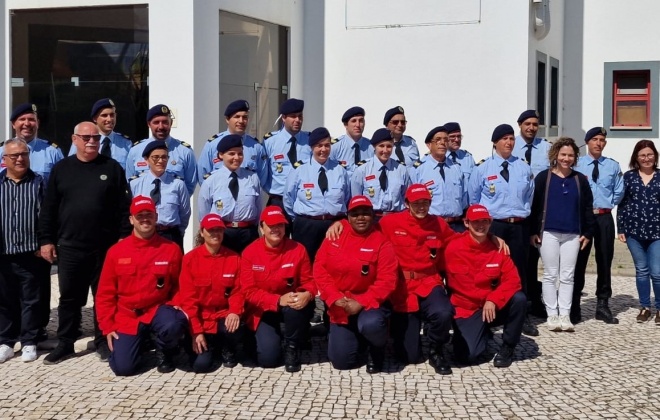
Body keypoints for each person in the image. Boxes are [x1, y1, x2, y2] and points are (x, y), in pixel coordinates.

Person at [38, 121, 132, 365]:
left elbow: (124, 208)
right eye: (86, 137)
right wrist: (47, 240)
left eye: (95, 138)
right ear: (75, 139)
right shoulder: (62, 169)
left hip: (105, 247)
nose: (92, 141)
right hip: (70, 246)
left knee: (104, 295)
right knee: (69, 297)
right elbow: (49, 208)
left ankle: (103, 340)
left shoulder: (111, 168)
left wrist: (123, 237)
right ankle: (66, 342)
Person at [96, 196, 187, 376]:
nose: (145, 219)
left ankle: (164, 349)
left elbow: (180, 285)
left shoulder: (171, 249)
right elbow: (104, 294)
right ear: (131, 219)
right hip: (127, 316)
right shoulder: (116, 252)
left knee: (174, 323)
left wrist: (178, 305)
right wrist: (107, 327)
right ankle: (141, 343)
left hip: (157, 311)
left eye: (149, 214)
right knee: (123, 368)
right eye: (140, 215)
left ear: (156, 216)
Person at [468, 124, 538, 336]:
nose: (509, 142)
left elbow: (530, 198)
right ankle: (488, 314)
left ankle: (521, 315)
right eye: (504, 139)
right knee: (489, 270)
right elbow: (473, 200)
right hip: (492, 225)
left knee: (519, 270)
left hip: (518, 225)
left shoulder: (524, 168)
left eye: (511, 139)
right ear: (495, 143)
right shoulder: (482, 169)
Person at [315, 196, 397, 373]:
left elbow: (387, 281)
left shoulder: (381, 242)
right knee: (341, 362)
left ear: (373, 216)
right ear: (348, 217)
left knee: (372, 324)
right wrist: (334, 297)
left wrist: (361, 302)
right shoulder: (334, 236)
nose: (361, 218)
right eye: (355, 214)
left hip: (369, 305)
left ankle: (376, 350)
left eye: (365, 214)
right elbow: (320, 269)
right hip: (341, 304)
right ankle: (356, 339)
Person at [445, 204, 526, 367]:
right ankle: (479, 334)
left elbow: (513, 280)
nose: (481, 226)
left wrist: (494, 299)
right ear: (466, 223)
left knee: (519, 299)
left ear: (490, 223)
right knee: (467, 357)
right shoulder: (452, 247)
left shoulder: (499, 249)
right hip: (466, 310)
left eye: (485, 221)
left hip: (492, 306)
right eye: (475, 222)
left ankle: (508, 347)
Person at [530, 138, 596, 332]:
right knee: (550, 274)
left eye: (570, 155)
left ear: (575, 157)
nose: (566, 158)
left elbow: (587, 208)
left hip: (572, 234)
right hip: (548, 232)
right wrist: (533, 231)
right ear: (556, 155)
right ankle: (552, 314)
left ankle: (565, 314)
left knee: (568, 275)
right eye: (563, 155)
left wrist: (588, 232)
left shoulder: (580, 180)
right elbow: (535, 207)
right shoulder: (544, 177)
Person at [241, 206, 317, 373]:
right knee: (268, 359)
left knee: (295, 307)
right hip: (262, 309)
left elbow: (309, 281)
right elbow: (247, 291)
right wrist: (276, 300)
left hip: (290, 306)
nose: (276, 229)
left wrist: (308, 293)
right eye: (271, 225)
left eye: (280, 225)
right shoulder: (250, 253)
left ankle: (292, 346)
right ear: (261, 228)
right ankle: (255, 336)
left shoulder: (298, 249)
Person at [0, 139, 49, 363]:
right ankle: (7, 341)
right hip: (3, 251)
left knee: (32, 299)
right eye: (14, 156)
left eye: (24, 154)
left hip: (31, 252)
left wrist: (45, 243)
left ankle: (30, 341)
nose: (20, 159)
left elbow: (47, 217)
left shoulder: (39, 182)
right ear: (4, 160)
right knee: (5, 298)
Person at [175, 214, 243, 373]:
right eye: (211, 230)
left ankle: (227, 346)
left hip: (223, 316)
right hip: (201, 319)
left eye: (219, 230)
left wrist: (235, 311)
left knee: (236, 325)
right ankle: (205, 343)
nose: (215, 234)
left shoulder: (234, 258)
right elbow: (188, 299)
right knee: (201, 366)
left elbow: (238, 291)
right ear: (202, 232)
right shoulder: (190, 259)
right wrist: (196, 332)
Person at [573, 127, 624, 324]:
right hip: (583, 217)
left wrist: (608, 202)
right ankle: (575, 305)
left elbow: (619, 191)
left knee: (605, 260)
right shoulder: (577, 165)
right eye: (594, 139)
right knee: (579, 261)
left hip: (603, 217)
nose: (598, 143)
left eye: (602, 139)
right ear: (587, 142)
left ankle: (602, 304)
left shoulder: (612, 166)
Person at [284, 127, 350, 262]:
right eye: (319, 146)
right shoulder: (299, 170)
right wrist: (299, 218)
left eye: (327, 145)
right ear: (311, 147)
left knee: (334, 262)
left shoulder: (339, 170)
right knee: (306, 264)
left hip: (334, 224)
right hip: (307, 226)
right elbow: (288, 198)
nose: (323, 150)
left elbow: (347, 197)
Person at [617, 140, 660, 325]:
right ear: (636, 157)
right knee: (641, 271)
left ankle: (659, 308)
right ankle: (645, 307)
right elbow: (622, 204)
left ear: (655, 156)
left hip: (657, 232)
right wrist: (621, 228)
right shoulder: (629, 177)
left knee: (657, 272)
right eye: (642, 155)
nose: (646, 158)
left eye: (650, 154)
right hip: (634, 232)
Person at [513, 110, 551, 319]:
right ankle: (520, 303)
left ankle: (534, 300)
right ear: (520, 125)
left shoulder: (546, 148)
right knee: (517, 259)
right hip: (517, 208)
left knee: (534, 258)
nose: (531, 128)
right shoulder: (510, 145)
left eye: (535, 124)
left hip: (538, 210)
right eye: (527, 124)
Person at [198, 134, 262, 254]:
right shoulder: (211, 180)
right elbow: (204, 213)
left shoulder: (252, 177)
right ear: (221, 155)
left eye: (240, 153)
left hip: (248, 232)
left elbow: (258, 208)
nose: (236, 157)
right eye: (231, 154)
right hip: (222, 233)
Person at [129, 140, 191, 251]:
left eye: (164, 157)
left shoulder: (178, 184)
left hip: (170, 234)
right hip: (145, 235)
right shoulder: (135, 184)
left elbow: (185, 213)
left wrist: (178, 232)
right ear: (146, 160)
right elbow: (130, 210)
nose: (160, 161)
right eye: (155, 157)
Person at [125, 104, 197, 195]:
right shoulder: (135, 151)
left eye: (165, 122)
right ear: (148, 124)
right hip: (143, 207)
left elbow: (190, 185)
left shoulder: (185, 151)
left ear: (171, 123)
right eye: (156, 122)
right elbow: (130, 182)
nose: (161, 127)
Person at [197, 100, 269, 187]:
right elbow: (203, 175)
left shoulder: (256, 147)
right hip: (220, 197)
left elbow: (262, 177)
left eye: (245, 117)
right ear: (227, 119)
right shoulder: (213, 144)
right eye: (237, 117)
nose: (241, 121)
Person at [409, 126, 468, 232]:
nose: (442, 143)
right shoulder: (418, 170)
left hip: (456, 225)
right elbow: (411, 200)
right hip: (432, 224)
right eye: (438, 140)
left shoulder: (456, 167)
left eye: (445, 140)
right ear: (429, 145)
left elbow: (464, 198)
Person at [263, 98, 311, 211]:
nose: (297, 120)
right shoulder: (270, 142)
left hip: (303, 200)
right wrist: (272, 191)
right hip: (278, 200)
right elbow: (263, 172)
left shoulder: (309, 140)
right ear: (283, 118)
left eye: (300, 116)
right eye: (293, 116)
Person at [350, 128, 411, 216]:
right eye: (381, 146)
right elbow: (356, 199)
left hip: (395, 217)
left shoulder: (401, 170)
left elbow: (406, 197)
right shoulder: (362, 170)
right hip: (372, 218)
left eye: (389, 146)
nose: (385, 150)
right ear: (374, 146)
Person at [0, 103, 64, 183]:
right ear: (13, 124)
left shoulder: (52, 152)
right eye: (22, 119)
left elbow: (62, 182)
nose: (27, 124)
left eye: (31, 119)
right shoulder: (2, 150)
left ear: (38, 123)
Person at [68, 98, 131, 171]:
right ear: (95, 118)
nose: (109, 119)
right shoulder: (82, 141)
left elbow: (129, 172)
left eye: (112, 115)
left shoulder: (125, 143)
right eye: (104, 115)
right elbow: (71, 166)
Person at [329, 106, 373, 177]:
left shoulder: (372, 147)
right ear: (346, 125)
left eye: (361, 121)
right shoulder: (335, 147)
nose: (358, 125)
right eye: (353, 121)